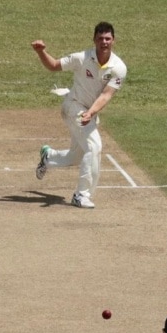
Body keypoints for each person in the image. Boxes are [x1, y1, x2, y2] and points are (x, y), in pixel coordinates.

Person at [31, 22, 128, 209]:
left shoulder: (118, 67)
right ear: (94, 40)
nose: (104, 42)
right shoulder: (81, 58)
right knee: (94, 147)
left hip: (88, 113)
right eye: (100, 38)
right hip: (73, 107)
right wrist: (41, 52)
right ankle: (81, 195)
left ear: (113, 40)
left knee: (77, 156)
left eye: (107, 38)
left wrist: (91, 113)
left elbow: (106, 94)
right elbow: (53, 66)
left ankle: (48, 156)